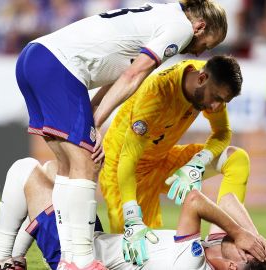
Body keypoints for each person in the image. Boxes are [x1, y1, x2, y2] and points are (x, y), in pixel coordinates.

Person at [14, 1, 228, 269]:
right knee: (87, 163)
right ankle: (80, 260)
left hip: (36, 58)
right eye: (207, 44)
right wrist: (95, 125)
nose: (201, 51)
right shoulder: (180, 29)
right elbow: (132, 75)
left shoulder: (161, 16)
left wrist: (92, 115)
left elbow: (120, 77)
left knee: (68, 167)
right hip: (61, 66)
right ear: (200, 27)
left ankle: (57, 257)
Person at [0, 158, 266, 270]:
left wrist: (242, 234)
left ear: (232, 266)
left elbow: (193, 200)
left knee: (25, 171)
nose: (234, 235)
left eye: (242, 248)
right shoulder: (213, 253)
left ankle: (0, 260)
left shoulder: (192, 259)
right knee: (56, 171)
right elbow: (229, 200)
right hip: (92, 241)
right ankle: (15, 260)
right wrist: (252, 238)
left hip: (75, 255)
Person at [97, 55, 251, 265]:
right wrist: (132, 217)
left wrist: (198, 162)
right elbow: (128, 157)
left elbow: (222, 132)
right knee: (135, 257)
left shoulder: (212, 81)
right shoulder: (156, 93)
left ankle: (219, 240)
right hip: (124, 170)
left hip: (162, 159)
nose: (216, 107)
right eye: (216, 98)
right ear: (201, 78)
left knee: (237, 159)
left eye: (222, 101)